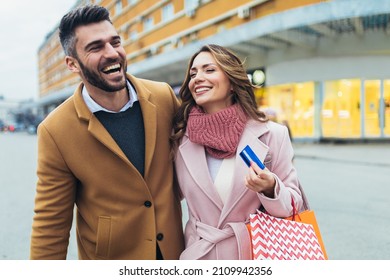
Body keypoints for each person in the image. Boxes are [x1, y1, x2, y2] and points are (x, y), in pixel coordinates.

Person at [30, 4, 184, 260]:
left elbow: (205, 148)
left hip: (175, 257)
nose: (112, 53)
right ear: (72, 64)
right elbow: (50, 224)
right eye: (96, 47)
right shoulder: (55, 130)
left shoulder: (163, 97)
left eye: (115, 42)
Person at [171, 44, 304, 260]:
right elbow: (166, 198)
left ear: (232, 82)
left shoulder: (273, 134)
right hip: (199, 257)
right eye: (193, 73)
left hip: (254, 255)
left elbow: (293, 206)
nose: (197, 78)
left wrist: (271, 188)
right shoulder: (180, 138)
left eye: (209, 70)